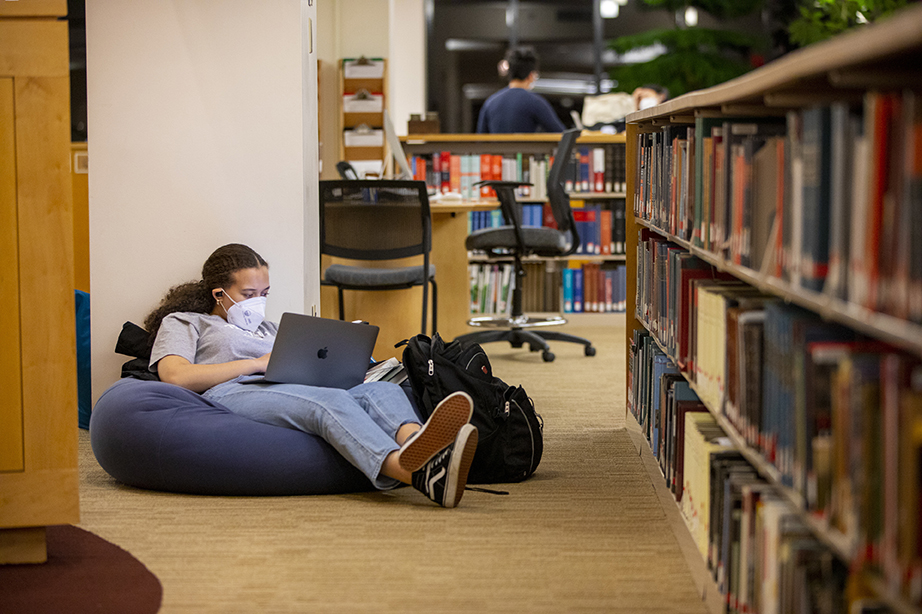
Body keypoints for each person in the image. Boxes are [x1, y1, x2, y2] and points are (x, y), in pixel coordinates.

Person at [144, 243, 478, 508]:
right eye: (248, 295)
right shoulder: (186, 321)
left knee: (379, 390)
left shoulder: (271, 328)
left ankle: (420, 444)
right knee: (328, 402)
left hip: (287, 385)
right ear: (219, 293)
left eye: (264, 294)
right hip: (233, 390)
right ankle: (411, 473)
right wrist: (257, 363)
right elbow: (174, 376)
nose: (258, 302)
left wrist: (344, 370)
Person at [477, 46, 566, 134]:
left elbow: (480, 139)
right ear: (531, 75)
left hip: (495, 149)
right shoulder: (535, 102)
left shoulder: (490, 102)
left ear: (509, 73)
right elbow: (561, 134)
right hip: (525, 149)